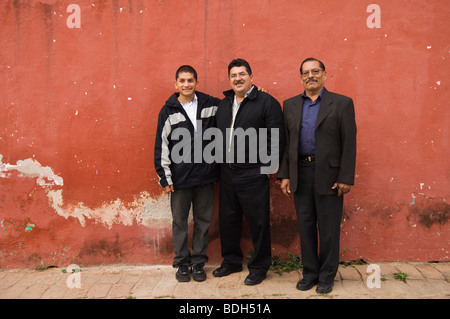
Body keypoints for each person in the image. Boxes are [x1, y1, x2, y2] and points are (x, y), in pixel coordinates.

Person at [278, 57, 357, 294]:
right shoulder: (290, 105)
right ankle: (310, 273)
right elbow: (286, 143)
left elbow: (349, 142)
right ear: (300, 76)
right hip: (300, 172)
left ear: (324, 74)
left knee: (329, 227)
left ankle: (326, 276)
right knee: (305, 226)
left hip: (329, 175)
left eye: (315, 71)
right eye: (306, 72)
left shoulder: (342, 103)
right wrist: (285, 174)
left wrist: (345, 177)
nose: (310, 76)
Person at [213, 58, 285, 285]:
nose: (238, 78)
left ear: (251, 77)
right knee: (228, 220)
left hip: (253, 173)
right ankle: (232, 261)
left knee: (258, 222)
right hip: (228, 172)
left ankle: (260, 266)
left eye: (242, 74)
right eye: (233, 75)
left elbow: (277, 137)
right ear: (229, 79)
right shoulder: (224, 104)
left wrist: (268, 169)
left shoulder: (267, 102)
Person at [154, 65, 221, 282]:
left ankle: (199, 263)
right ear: (176, 84)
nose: (186, 84)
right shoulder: (168, 110)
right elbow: (161, 145)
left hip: (205, 177)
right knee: (180, 222)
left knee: (203, 221)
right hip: (180, 179)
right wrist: (165, 177)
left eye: (190, 80)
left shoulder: (210, 104)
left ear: (196, 82)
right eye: (182, 81)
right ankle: (182, 264)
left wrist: (256, 96)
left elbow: (233, 110)